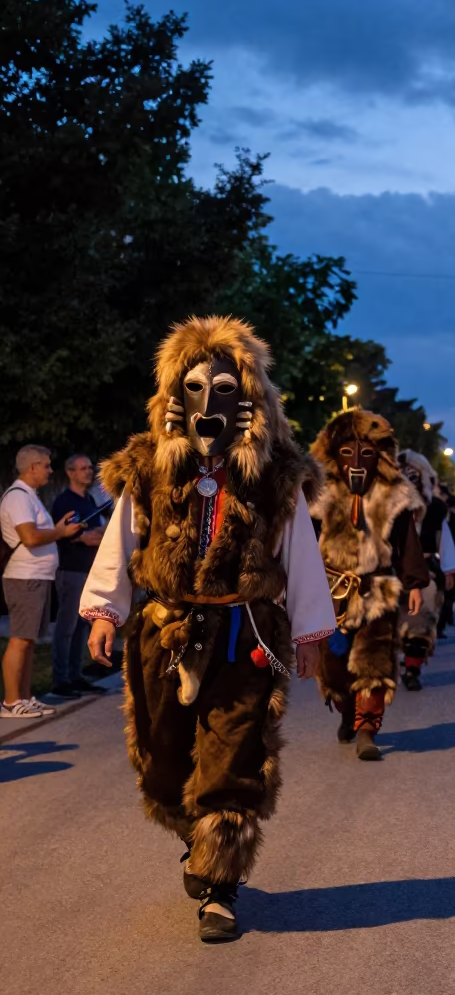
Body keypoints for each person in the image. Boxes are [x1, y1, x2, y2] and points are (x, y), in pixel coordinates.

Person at [81, 316, 336, 942]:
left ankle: (219, 888)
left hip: (246, 629)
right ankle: (194, 836)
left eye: (224, 390)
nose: (209, 404)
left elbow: (299, 551)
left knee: (235, 755)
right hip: (166, 626)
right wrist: (105, 609)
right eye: (195, 388)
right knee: (162, 758)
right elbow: (122, 538)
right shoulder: (148, 469)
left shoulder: (277, 477)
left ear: (249, 400)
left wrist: (309, 633)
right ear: (174, 398)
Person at [314, 410, 429, 760]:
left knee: (374, 662)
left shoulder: (395, 494)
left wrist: (415, 583)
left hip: (377, 589)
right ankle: (348, 712)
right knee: (333, 665)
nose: (357, 461)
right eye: (348, 453)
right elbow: (300, 543)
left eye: (367, 453)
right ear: (334, 456)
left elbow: (408, 540)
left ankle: (367, 730)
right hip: (331, 593)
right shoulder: (317, 493)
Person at [1, 445, 83, 718]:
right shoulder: (18, 497)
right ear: (32, 467)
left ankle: (24, 697)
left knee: (29, 641)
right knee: (20, 640)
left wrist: (58, 528)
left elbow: (38, 533)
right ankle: (11, 702)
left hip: (36, 577)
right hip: (25, 577)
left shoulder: (29, 496)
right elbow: (30, 538)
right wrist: (59, 532)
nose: (50, 471)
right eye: (47, 466)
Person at [397, 449, 455, 688]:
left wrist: (449, 568)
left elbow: (444, 539)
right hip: (389, 571)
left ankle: (412, 668)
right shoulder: (383, 506)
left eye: (412, 472)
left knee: (420, 621)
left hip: (425, 572)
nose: (407, 476)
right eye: (402, 471)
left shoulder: (435, 509)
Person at [48, 454, 107, 700]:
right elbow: (78, 536)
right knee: (67, 627)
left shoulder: (90, 499)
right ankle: (60, 680)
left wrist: (94, 535)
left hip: (89, 570)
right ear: (70, 472)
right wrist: (90, 536)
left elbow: (101, 533)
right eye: (82, 468)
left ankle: (76, 675)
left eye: (89, 468)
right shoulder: (64, 502)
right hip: (71, 570)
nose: (88, 472)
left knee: (83, 626)